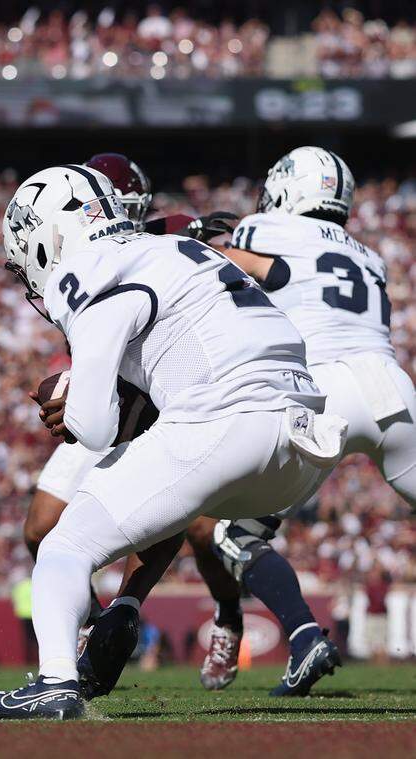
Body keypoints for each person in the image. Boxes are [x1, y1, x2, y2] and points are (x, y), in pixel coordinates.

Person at [0, 163, 346, 720]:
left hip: (227, 422)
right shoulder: (173, 249)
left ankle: (54, 682)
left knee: (63, 547)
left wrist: (72, 398)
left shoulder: (88, 266)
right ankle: (136, 609)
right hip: (304, 441)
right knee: (167, 488)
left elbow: (92, 428)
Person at [192, 147, 414, 696]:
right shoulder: (370, 253)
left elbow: (230, 277)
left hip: (323, 391)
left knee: (232, 533)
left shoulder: (264, 226)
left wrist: (200, 238)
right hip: (392, 387)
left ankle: (304, 636)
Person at [22, 152, 238, 699]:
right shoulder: (78, 256)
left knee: (184, 522)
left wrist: (217, 237)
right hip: (104, 390)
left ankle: (132, 608)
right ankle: (97, 626)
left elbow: (215, 248)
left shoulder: (165, 237)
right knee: (41, 527)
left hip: (162, 396)